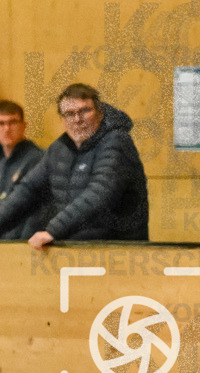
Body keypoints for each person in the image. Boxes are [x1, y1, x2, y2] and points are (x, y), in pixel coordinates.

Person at [0, 83, 148, 250]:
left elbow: (100, 192)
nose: (77, 119)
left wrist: (53, 230)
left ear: (100, 113)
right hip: (75, 251)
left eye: (85, 111)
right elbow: (28, 191)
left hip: (119, 253)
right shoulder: (59, 149)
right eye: (70, 114)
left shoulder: (117, 141)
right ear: (62, 119)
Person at [0, 100, 44, 240]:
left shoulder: (36, 159)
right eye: (1, 123)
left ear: (24, 126)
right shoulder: (2, 162)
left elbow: (37, 213)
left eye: (12, 122)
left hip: (20, 246)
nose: (7, 129)